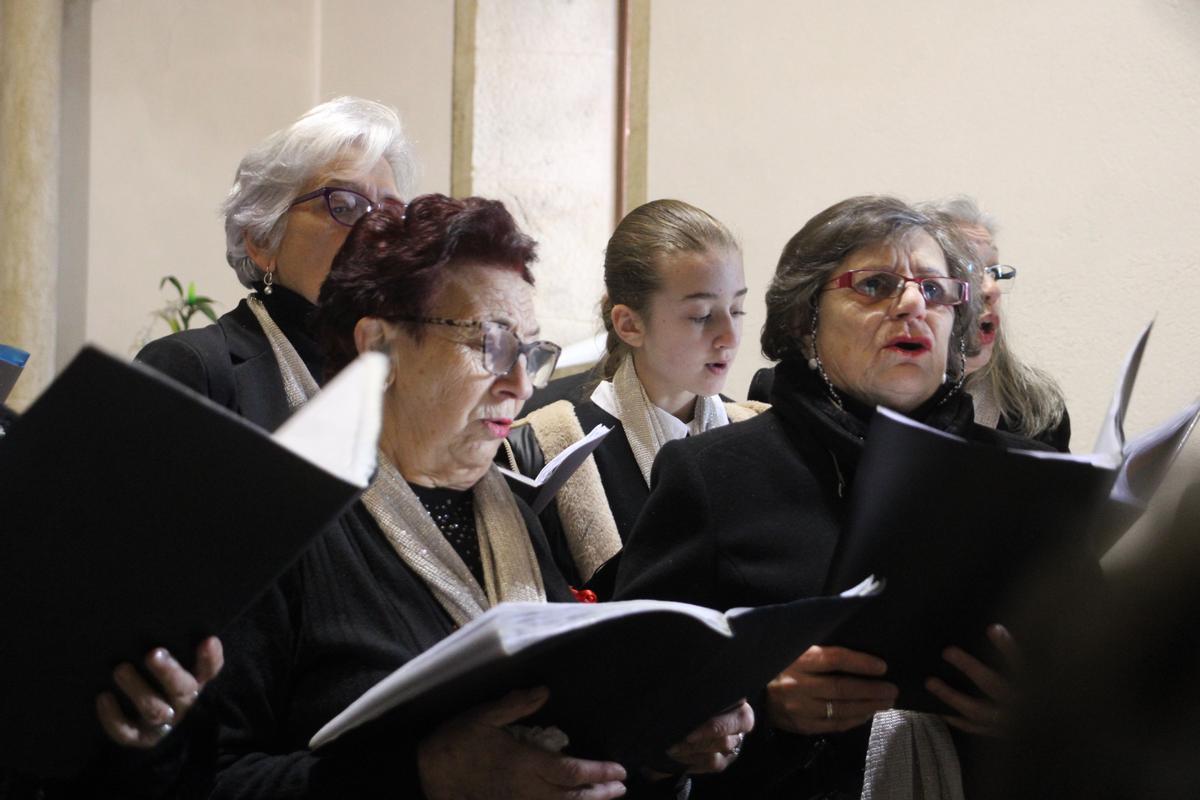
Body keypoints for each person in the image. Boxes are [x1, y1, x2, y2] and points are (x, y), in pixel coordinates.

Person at [204, 195, 754, 799]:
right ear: (380, 346)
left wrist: (658, 747)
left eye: (531, 352)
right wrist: (425, 777)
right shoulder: (282, 524)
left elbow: (571, 736)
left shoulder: (508, 509)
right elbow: (206, 782)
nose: (520, 384)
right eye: (491, 343)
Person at [613, 196, 1057, 798]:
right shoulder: (713, 475)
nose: (911, 305)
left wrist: (1042, 717)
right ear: (804, 321)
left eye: (934, 290)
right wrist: (769, 713)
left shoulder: (1029, 477)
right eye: (875, 285)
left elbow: (1126, 698)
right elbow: (630, 716)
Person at [503, 199, 765, 592]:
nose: (729, 337)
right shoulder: (547, 447)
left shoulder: (759, 434)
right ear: (629, 324)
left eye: (738, 309)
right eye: (701, 315)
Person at [136, 96, 413, 431]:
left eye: (389, 212)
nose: (374, 228)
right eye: (343, 204)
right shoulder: (191, 369)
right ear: (262, 239)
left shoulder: (409, 379)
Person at [929, 197, 1070, 451]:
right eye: (965, 271)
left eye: (993, 271)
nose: (991, 289)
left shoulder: (1034, 405)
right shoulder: (876, 395)